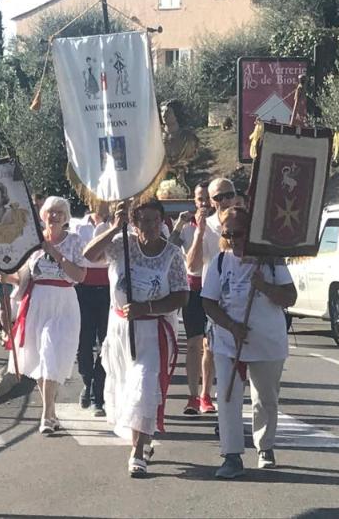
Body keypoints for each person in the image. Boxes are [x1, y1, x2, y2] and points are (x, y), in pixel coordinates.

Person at [83, 198, 188, 478]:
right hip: (121, 330)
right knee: (127, 389)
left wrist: (147, 307)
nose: (150, 226)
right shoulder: (122, 245)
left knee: (144, 387)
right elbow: (89, 255)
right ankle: (144, 438)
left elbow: (181, 295)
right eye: (143, 220)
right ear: (133, 222)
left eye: (155, 220)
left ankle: (137, 452)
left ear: (163, 222)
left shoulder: (172, 254)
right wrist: (114, 227)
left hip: (153, 331)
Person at [202, 206, 297, 479]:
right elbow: (208, 302)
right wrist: (232, 326)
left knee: (265, 397)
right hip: (229, 341)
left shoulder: (271, 261)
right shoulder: (220, 261)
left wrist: (264, 286)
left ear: (252, 232)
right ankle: (231, 456)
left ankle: (265, 446)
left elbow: (290, 297)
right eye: (228, 234)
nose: (233, 239)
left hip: (267, 341)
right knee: (228, 397)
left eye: (238, 233)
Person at [4, 196, 86, 433]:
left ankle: (46, 416)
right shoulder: (33, 242)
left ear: (66, 217)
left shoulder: (74, 240)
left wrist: (56, 254)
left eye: (59, 212)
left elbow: (80, 276)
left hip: (63, 302)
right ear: (43, 215)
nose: (55, 216)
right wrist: (6, 277)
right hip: (37, 302)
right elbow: (24, 277)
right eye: (51, 212)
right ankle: (51, 412)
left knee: (51, 352)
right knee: (41, 358)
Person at [169, 181, 221, 416]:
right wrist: (183, 224)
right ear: (194, 201)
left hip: (213, 289)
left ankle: (206, 395)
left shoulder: (219, 225)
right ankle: (192, 395)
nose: (204, 203)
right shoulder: (188, 227)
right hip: (192, 288)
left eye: (207, 199)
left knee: (209, 345)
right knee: (193, 344)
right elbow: (170, 248)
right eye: (199, 199)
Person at [72, 201, 111, 416]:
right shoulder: (78, 226)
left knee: (106, 342)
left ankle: (98, 393)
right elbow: (82, 256)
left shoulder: (117, 225)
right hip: (83, 290)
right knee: (83, 343)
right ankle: (87, 381)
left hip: (109, 290)